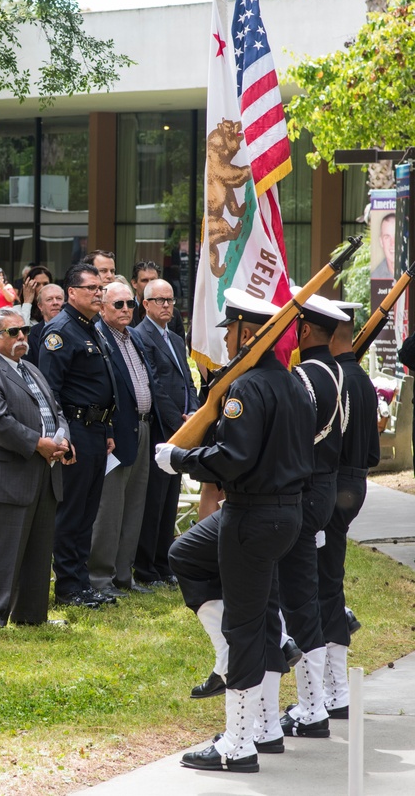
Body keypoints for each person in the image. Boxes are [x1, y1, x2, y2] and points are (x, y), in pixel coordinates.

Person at [156, 288, 314, 774]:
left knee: (245, 628)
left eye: (230, 331)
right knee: (193, 559)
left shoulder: (245, 390)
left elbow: (234, 459)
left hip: (252, 514)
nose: (225, 340)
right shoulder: (293, 383)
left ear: (249, 333)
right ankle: (265, 727)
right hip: (286, 514)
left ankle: (237, 745)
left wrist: (180, 458)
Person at [0, 308, 73, 630]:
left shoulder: (31, 368)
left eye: (24, 332)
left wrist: (64, 439)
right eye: (13, 333)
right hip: (8, 475)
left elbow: (55, 411)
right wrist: (38, 443)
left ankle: (31, 615)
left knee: (39, 550)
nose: (22, 338)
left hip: (45, 470)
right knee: (3, 553)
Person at [279, 290, 350, 738]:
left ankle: (311, 706)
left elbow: (293, 435)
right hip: (325, 488)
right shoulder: (337, 372)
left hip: (304, 492)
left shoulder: (305, 376)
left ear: (304, 330)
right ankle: (317, 699)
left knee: (299, 596)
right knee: (308, 591)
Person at [38, 263, 118, 610]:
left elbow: (102, 384)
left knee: (87, 511)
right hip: (75, 430)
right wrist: (62, 436)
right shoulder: (60, 331)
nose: (98, 294)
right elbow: (49, 391)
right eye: (91, 289)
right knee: (71, 512)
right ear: (72, 292)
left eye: (101, 289)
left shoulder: (93, 327)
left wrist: (109, 427)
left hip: (97, 430)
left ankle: (82, 583)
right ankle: (69, 587)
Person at [89, 282, 175, 596]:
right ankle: (101, 578)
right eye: (118, 305)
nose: (126, 309)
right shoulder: (99, 338)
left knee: (135, 506)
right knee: (110, 509)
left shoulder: (133, 337)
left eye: (129, 304)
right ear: (102, 308)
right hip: (116, 432)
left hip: (144, 428)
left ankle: (124, 576)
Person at [320, 301, 380, 717]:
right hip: (354, 483)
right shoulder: (359, 378)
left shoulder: (336, 377)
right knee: (328, 579)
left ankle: (335, 689)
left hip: (334, 487)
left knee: (323, 586)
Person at [134, 278, 199, 587]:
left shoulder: (174, 338)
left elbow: (187, 380)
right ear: (145, 304)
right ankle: (146, 569)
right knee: (154, 500)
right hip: (162, 428)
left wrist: (197, 415)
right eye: (160, 300)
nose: (167, 306)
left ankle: (163, 564)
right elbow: (154, 386)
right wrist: (179, 422)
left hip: (182, 427)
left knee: (170, 498)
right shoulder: (140, 335)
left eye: (171, 300)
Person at [27, 282, 64, 357]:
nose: (55, 302)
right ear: (40, 306)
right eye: (49, 299)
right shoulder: (30, 336)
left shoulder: (77, 330)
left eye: (59, 298)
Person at [372, 212, 395, 280]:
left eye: (396, 237)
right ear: (381, 241)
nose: (392, 243)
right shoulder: (375, 276)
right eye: (387, 237)